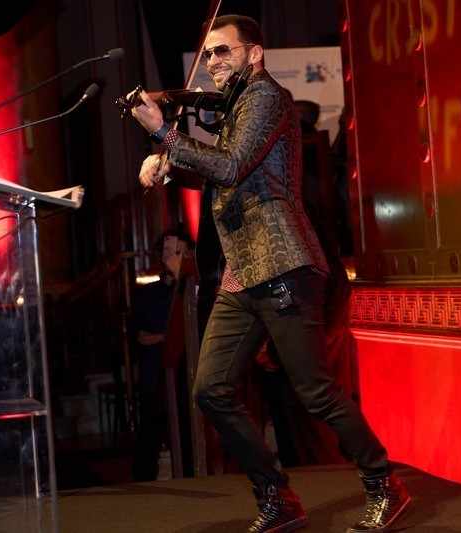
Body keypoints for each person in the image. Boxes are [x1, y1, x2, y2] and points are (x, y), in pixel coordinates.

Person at [129, 14, 412, 533]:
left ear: (254, 53)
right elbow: (220, 176)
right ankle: (277, 497)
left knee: (315, 390)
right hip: (243, 270)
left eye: (223, 51)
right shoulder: (236, 105)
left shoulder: (265, 97)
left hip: (283, 262)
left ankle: (385, 484)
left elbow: (231, 165)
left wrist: (164, 133)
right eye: (208, 54)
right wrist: (166, 165)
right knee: (211, 389)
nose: (213, 62)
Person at [128, 227, 194, 481]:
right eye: (168, 252)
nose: (172, 257)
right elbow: (136, 335)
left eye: (179, 252)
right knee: (148, 438)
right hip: (155, 377)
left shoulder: (192, 290)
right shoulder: (150, 294)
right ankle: (142, 488)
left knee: (188, 436)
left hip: (187, 377)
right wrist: (153, 338)